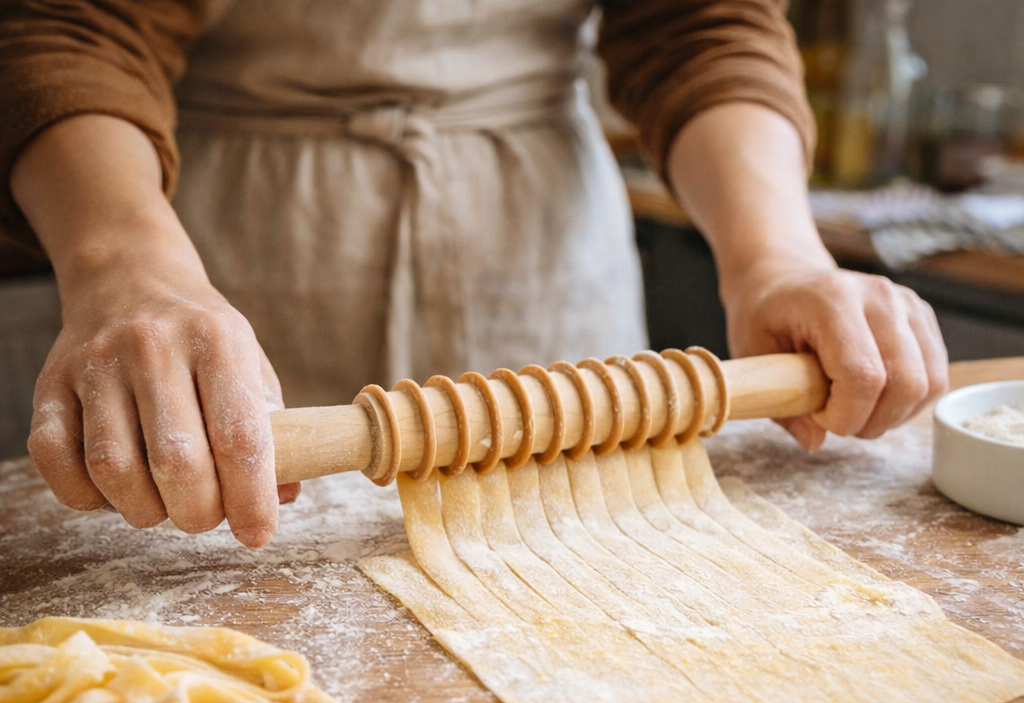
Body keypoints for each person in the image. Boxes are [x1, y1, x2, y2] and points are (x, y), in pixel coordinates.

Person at [0, 1, 947, 550]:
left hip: (534, 241)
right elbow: (63, 23)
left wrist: (774, 254)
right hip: (205, 225)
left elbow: (701, 21)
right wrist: (123, 265)